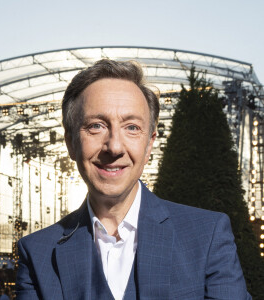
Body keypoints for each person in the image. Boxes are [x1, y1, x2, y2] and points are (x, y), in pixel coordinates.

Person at [16, 59, 251, 299]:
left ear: (149, 144)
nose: (115, 146)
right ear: (70, 143)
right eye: (96, 126)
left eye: (131, 127)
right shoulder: (37, 253)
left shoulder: (207, 236)